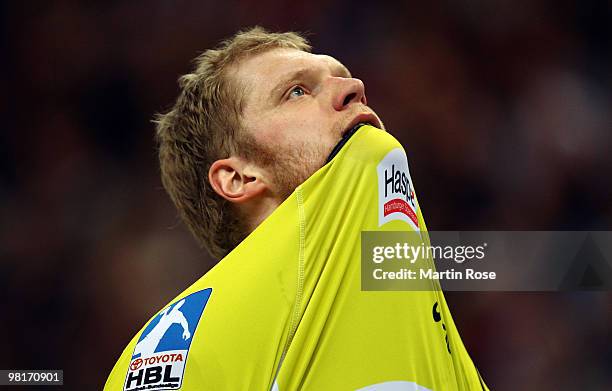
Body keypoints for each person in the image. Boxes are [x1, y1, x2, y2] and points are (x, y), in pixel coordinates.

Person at [105, 27, 488, 391]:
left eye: (343, 76)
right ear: (239, 177)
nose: (354, 88)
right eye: (297, 92)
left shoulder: (449, 354)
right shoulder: (178, 343)